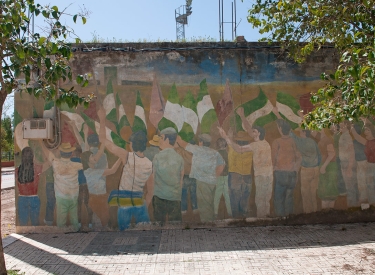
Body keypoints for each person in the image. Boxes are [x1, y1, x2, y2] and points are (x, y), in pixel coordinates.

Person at [98, 108, 152, 230]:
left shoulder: (127, 156)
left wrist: (102, 119)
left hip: (124, 199)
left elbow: (103, 140)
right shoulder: (150, 164)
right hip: (139, 199)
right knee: (145, 231)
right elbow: (150, 190)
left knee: (123, 230)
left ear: (132, 144)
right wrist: (145, 203)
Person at [219, 107, 273, 218]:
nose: (251, 133)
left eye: (254, 132)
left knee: (260, 200)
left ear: (258, 134)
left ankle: (262, 220)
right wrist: (242, 116)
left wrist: (226, 137)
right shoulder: (265, 143)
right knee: (265, 200)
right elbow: (249, 130)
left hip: (261, 176)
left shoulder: (255, 145)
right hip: (268, 175)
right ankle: (265, 219)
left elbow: (239, 149)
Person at [176, 133, 225, 222]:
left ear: (201, 142)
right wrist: (214, 176)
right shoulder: (215, 152)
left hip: (203, 182)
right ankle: (211, 222)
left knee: (204, 206)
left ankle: (207, 225)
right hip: (212, 182)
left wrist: (177, 137)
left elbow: (183, 144)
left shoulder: (198, 149)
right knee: (210, 203)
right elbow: (221, 165)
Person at [40, 142, 84, 231]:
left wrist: (41, 142)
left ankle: (62, 233)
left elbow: (49, 155)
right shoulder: (76, 165)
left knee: (61, 218)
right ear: (71, 154)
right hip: (73, 195)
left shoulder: (56, 163)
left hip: (61, 196)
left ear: (60, 153)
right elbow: (88, 164)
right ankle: (75, 230)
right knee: (74, 217)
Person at [153, 127, 184, 224]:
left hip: (159, 197)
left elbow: (153, 177)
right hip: (175, 198)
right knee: (175, 226)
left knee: (158, 226)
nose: (159, 141)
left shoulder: (157, 157)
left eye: (161, 138)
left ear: (166, 139)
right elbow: (181, 180)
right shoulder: (179, 158)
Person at [271, 115, 301, 217]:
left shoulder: (277, 142)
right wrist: (296, 169)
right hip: (292, 174)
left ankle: (280, 219)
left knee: (279, 198)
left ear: (280, 129)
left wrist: (274, 167)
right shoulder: (293, 141)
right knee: (289, 197)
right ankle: (289, 219)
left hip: (281, 173)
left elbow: (273, 158)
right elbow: (299, 157)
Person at [289, 129, 321, 213]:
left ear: (304, 133)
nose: (299, 132)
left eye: (301, 131)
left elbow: (292, 135)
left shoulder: (301, 141)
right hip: (315, 169)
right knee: (313, 193)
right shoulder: (313, 141)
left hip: (306, 169)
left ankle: (308, 213)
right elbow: (319, 155)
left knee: (305, 193)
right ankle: (314, 212)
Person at [226, 130, 253, 218]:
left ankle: (235, 219)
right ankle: (244, 218)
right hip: (247, 176)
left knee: (234, 199)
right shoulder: (250, 151)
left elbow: (229, 142)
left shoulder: (232, 148)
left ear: (237, 141)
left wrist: (229, 136)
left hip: (235, 176)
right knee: (245, 198)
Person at [16, 147, 43, 226]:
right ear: (32, 156)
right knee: (35, 224)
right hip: (34, 198)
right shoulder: (37, 168)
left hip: (21, 199)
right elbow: (48, 163)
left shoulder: (17, 170)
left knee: (23, 224)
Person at [351, 122, 375, 206]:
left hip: (372, 166)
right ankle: (372, 206)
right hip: (370, 165)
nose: (365, 132)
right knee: (370, 187)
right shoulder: (368, 142)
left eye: (368, 130)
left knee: (371, 187)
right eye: (365, 130)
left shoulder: (371, 142)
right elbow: (357, 138)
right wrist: (352, 128)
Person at [174, 140, 198, 215]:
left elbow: (175, 148)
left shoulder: (181, 151)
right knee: (193, 192)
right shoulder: (195, 153)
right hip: (193, 175)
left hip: (184, 175)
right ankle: (195, 208)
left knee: (183, 193)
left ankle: (183, 209)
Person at [317, 128, 339, 209]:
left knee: (328, 190)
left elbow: (332, 153)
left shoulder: (328, 139)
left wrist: (324, 166)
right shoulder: (323, 138)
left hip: (329, 166)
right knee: (325, 190)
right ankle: (326, 212)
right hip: (326, 165)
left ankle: (328, 212)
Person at [338, 122, 358, 207]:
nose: (340, 125)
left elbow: (352, 152)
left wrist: (349, 167)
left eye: (342, 124)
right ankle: (351, 206)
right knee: (348, 187)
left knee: (351, 188)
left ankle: (352, 207)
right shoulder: (343, 135)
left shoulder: (347, 136)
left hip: (348, 164)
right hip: (344, 163)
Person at [213, 138, 232, 218]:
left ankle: (215, 212)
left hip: (219, 177)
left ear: (217, 145)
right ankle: (230, 213)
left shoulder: (216, 154)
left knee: (217, 195)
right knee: (227, 196)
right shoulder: (228, 154)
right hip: (226, 176)